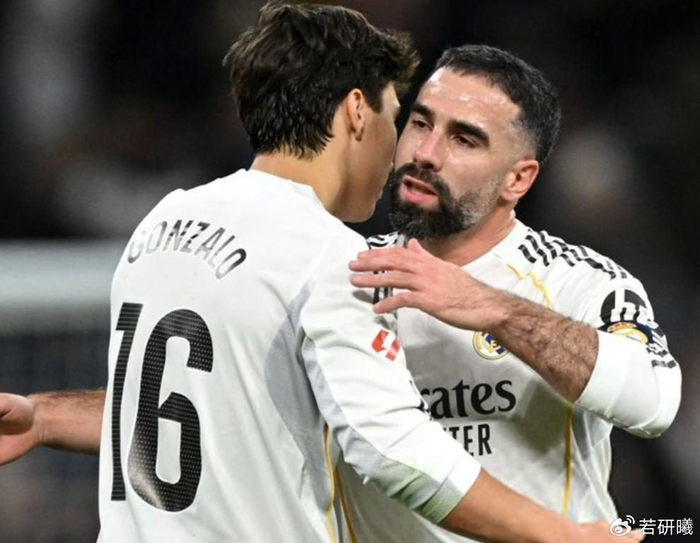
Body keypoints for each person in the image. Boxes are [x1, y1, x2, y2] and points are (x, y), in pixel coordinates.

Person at [0, 4, 640, 543]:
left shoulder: (162, 224)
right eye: (397, 115)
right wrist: (562, 534)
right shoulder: (327, 257)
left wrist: (46, 415)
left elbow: (188, 411)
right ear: (357, 111)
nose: (401, 151)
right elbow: (395, 451)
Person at [341, 44, 681, 541]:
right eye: (420, 123)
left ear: (517, 179)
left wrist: (491, 307)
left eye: (464, 139)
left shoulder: (581, 281)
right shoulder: (343, 273)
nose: (425, 153)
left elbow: (654, 402)